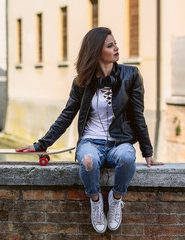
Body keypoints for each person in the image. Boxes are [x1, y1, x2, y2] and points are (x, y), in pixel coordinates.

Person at [16, 27, 164, 233]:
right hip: (90, 142)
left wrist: (148, 153)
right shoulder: (82, 82)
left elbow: (138, 115)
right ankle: (95, 201)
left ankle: (115, 199)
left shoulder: (131, 76)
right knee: (88, 161)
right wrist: (41, 144)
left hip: (119, 143)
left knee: (128, 158)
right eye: (110, 45)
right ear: (96, 51)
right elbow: (67, 115)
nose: (116, 48)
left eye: (115, 43)